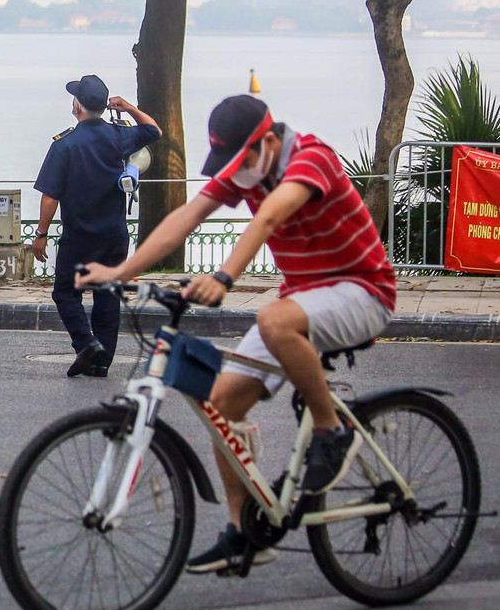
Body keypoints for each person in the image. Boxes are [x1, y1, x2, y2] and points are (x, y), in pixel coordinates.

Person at [77, 94, 397, 574]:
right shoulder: (248, 165)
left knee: (272, 319)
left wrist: (225, 276)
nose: (237, 171)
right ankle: (245, 532)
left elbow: (269, 217)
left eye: (242, 158)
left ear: (268, 141)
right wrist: (122, 271)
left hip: (363, 291)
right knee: (223, 406)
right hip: (304, 298)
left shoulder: (312, 158)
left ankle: (332, 431)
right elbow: (185, 218)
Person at [32, 75, 161, 377]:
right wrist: (128, 107)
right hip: (114, 235)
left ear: (76, 106)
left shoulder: (65, 145)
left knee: (65, 293)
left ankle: (87, 345)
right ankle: (101, 361)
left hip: (79, 235)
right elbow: (154, 130)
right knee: (107, 295)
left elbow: (51, 196)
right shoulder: (119, 136)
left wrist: (41, 234)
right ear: (105, 106)